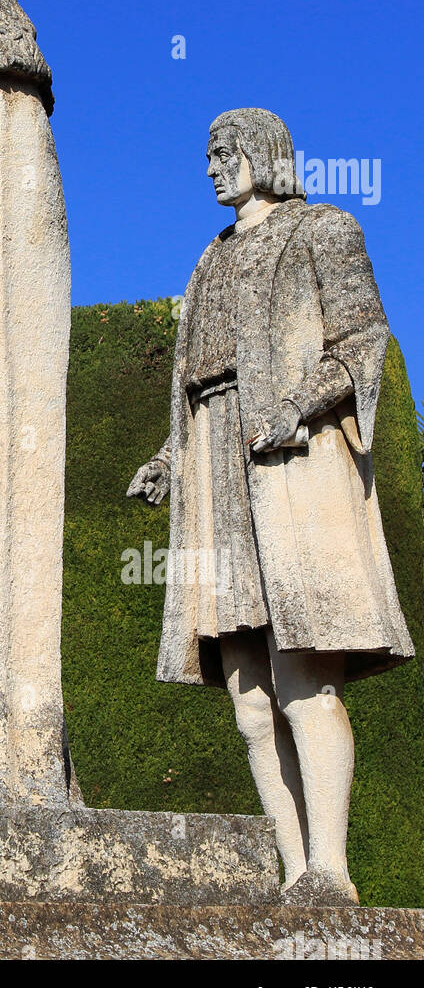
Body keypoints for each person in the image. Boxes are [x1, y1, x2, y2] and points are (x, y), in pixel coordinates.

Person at [127, 108, 414, 905]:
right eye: (208, 156)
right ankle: (295, 874)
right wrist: (169, 458)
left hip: (289, 462)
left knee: (304, 675)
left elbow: (362, 339)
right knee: (250, 696)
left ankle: (332, 869)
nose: (213, 168)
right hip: (216, 460)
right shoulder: (207, 260)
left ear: (265, 154)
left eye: (225, 154)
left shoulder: (324, 228)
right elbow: (196, 379)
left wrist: (301, 405)